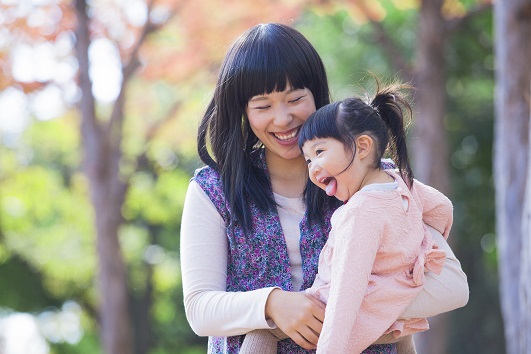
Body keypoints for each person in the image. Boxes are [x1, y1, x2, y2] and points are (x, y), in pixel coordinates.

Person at [180, 22, 469, 354]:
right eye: (263, 106)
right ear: (242, 111)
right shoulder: (214, 191)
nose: (283, 118)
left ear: (316, 94)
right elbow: (200, 309)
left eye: (295, 99)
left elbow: (450, 285)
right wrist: (273, 305)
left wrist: (344, 308)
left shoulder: (374, 180)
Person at [239, 80, 453, 354]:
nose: (313, 168)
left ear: (362, 146)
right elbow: (443, 209)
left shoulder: (359, 213)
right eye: (308, 160)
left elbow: (345, 295)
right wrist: (421, 247)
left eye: (319, 152)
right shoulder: (402, 183)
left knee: (263, 329)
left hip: (352, 314)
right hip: (396, 307)